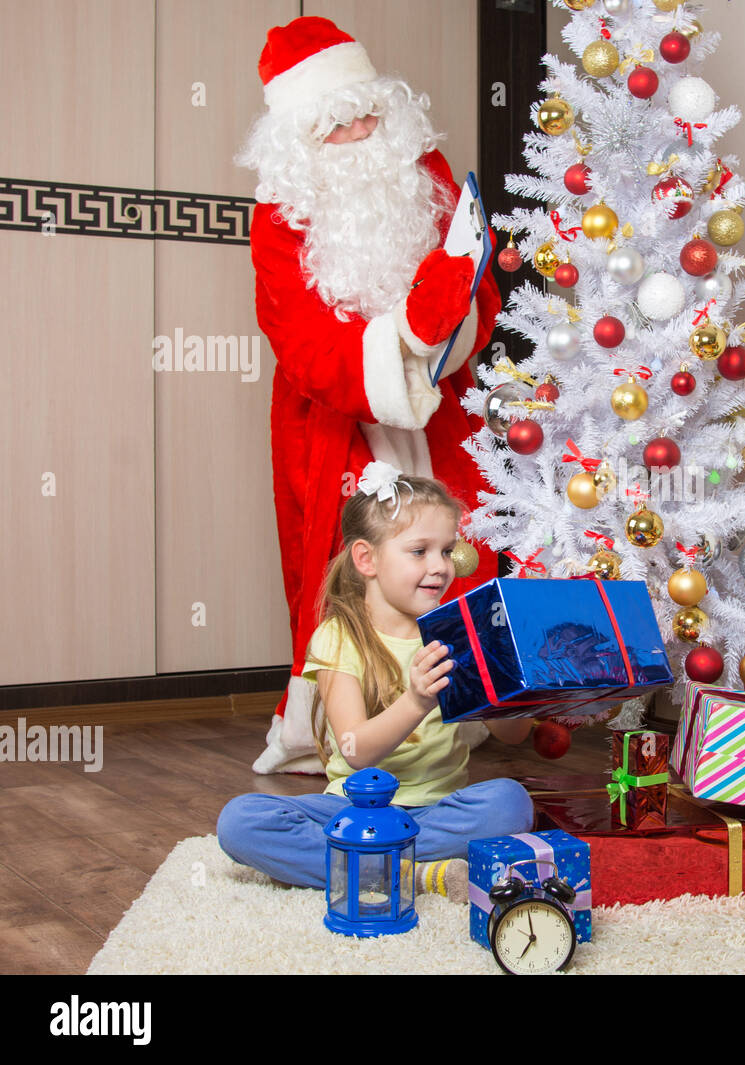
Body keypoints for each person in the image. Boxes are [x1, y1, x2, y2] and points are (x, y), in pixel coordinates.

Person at [235, 15, 502, 773]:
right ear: (298, 140)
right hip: (334, 424)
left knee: (456, 547)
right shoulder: (277, 216)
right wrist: (407, 333)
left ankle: (462, 707)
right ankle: (330, 726)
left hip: (442, 410)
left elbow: (471, 290)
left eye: (366, 114)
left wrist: (447, 326)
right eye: (333, 125)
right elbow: (308, 350)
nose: (356, 133)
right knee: (350, 567)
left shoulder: (428, 175)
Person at [217, 462, 533, 901]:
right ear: (367, 558)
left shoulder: (460, 633)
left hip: (435, 809)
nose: (440, 566)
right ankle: (413, 872)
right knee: (241, 821)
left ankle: (364, 867)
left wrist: (517, 684)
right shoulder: (339, 635)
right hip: (350, 809)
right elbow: (356, 751)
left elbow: (513, 736)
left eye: (447, 550)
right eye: (420, 551)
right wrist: (416, 701)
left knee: (510, 803)